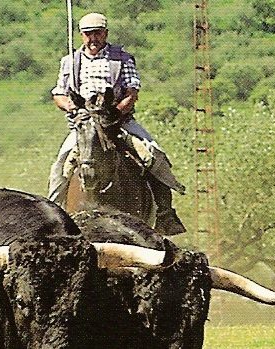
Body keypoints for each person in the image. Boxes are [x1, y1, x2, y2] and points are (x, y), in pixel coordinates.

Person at [47, 12, 185, 234]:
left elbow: (132, 91)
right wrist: (74, 109)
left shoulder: (122, 58)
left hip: (117, 121)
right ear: (81, 35)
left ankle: (165, 215)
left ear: (106, 33)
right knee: (60, 166)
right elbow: (59, 94)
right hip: (84, 124)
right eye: (88, 34)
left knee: (152, 155)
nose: (93, 38)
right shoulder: (70, 62)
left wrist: (116, 112)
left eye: (97, 33)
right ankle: (53, 218)